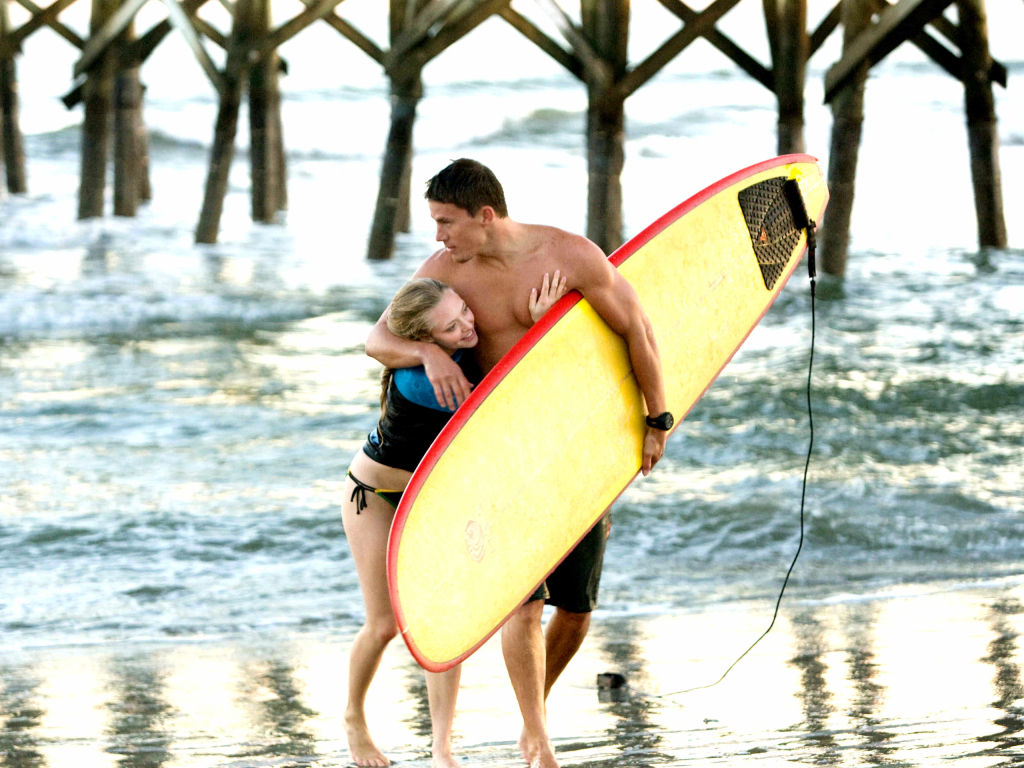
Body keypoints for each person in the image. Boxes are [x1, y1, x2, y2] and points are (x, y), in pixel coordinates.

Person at [365, 159, 673, 768]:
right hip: (498, 454)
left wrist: (656, 418)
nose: (437, 236)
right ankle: (537, 738)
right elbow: (377, 339)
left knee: (576, 611)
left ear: (485, 215)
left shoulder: (570, 256)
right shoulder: (444, 271)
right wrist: (429, 354)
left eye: (446, 222)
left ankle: (534, 713)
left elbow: (636, 328)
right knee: (524, 602)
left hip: (571, 445)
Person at [344, 276, 566, 768]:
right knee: (383, 626)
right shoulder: (428, 381)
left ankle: (441, 750)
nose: (467, 324)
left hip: (431, 501)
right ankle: (354, 717)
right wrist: (540, 328)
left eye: (464, 308)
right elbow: (502, 408)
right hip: (375, 498)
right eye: (451, 326)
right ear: (424, 337)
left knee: (440, 620)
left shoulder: (448, 352)